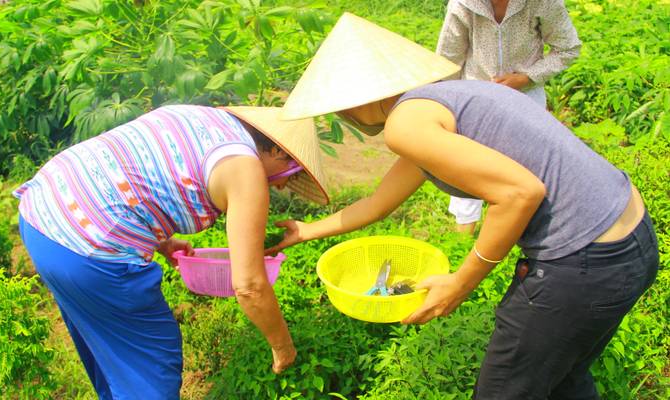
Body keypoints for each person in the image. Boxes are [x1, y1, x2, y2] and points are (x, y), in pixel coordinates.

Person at [275, 13, 658, 399]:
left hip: (585, 257)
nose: (342, 117)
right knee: (564, 379)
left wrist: (461, 283)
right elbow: (377, 203)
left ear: (359, 99)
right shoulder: (445, 102)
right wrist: (306, 230)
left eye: (339, 107)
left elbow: (520, 193)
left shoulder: (407, 123)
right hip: (630, 238)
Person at [15, 105, 329, 399]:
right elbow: (249, 286)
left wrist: (161, 241)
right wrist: (283, 347)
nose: (283, 186)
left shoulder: (201, 117)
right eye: (292, 171)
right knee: (151, 366)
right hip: (89, 250)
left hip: (42, 218)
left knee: (116, 354)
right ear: (276, 148)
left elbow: (134, 175)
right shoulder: (244, 170)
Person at [437, 0, 582, 234]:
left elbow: (568, 48)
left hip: (526, 99)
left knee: (525, 170)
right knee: (468, 166)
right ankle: (462, 240)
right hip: (475, 98)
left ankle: (520, 236)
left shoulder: (543, 3)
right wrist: (448, 102)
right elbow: (447, 60)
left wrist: (526, 78)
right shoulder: (464, 4)